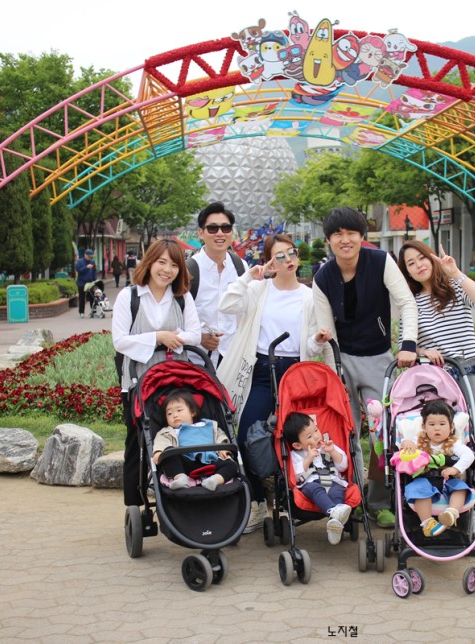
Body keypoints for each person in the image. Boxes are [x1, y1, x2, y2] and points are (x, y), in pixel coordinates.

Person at [218, 234, 331, 533]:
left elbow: (310, 344)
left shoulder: (308, 296)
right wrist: (250, 276)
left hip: (294, 372)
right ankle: (256, 502)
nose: (288, 260)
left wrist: (318, 340)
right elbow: (226, 304)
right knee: (246, 435)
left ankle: (291, 496)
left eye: (291, 253)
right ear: (269, 261)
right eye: (279, 256)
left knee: (295, 436)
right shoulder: (259, 289)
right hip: (261, 369)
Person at [313, 206, 418, 529]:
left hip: (378, 359)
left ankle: (379, 501)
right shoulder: (323, 277)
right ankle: (352, 497)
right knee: (344, 433)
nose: (345, 240)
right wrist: (335, 373)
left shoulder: (381, 262)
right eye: (337, 234)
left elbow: (406, 302)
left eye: (351, 233)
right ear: (329, 240)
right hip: (342, 360)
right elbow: (326, 331)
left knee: (380, 435)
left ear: (362, 236)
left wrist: (408, 344)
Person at [397, 240, 475, 538]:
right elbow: (405, 347)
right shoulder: (411, 304)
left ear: (432, 259)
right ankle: (442, 504)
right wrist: (423, 351)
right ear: (406, 272)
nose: (418, 266)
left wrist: (455, 273)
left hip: (469, 370)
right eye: (410, 263)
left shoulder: (454, 288)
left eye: (421, 258)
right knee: (442, 439)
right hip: (438, 380)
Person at [113, 239, 202, 507]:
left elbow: (195, 334)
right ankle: (135, 502)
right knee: (137, 440)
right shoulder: (129, 297)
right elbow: (120, 340)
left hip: (174, 379)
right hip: (138, 380)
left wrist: (174, 338)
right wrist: (158, 337)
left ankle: (183, 490)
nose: (167, 270)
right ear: (150, 263)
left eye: (174, 265)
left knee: (179, 434)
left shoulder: (182, 297)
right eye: (162, 262)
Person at [398, 400, 475, 538]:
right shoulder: (418, 441)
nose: (437, 429)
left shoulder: (454, 444)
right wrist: (406, 442)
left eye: (442, 424)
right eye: (432, 424)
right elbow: (404, 448)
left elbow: (469, 455)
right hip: (424, 479)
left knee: (461, 488)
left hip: (448, 480)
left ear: (451, 427)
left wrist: (455, 469)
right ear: (424, 427)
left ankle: (451, 513)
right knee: (417, 489)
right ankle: (428, 524)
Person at [186, 202, 246, 367]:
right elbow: (176, 315)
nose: (220, 233)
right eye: (212, 228)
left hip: (232, 357)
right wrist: (199, 337)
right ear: (201, 233)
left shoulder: (241, 267)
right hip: (196, 358)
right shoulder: (189, 270)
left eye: (226, 228)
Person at [282, 412, 353, 545]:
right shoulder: (296, 455)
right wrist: (308, 459)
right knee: (316, 489)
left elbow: (343, 466)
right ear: (298, 445)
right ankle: (333, 511)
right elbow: (295, 476)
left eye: (316, 430)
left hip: (332, 480)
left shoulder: (327, 447)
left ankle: (335, 522)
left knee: (337, 491)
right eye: (309, 436)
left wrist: (332, 451)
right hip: (310, 484)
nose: (316, 436)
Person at [152, 388, 239, 491]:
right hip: (186, 464)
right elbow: (162, 441)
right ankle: (181, 478)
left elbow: (220, 436)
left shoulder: (209, 425)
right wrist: (159, 451)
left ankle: (215, 480)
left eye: (179, 410)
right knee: (168, 453)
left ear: (192, 412)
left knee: (231, 465)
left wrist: (223, 448)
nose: (175, 415)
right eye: (169, 413)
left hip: (212, 461)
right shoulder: (169, 431)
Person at [75, 249, 97, 318]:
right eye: (89, 256)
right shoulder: (80, 262)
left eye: (91, 256)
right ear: (85, 255)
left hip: (90, 282)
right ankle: (81, 312)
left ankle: (93, 311)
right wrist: (86, 267)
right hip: (82, 282)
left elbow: (94, 271)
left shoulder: (92, 261)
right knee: (82, 298)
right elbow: (79, 270)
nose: (90, 258)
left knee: (92, 297)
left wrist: (95, 279)